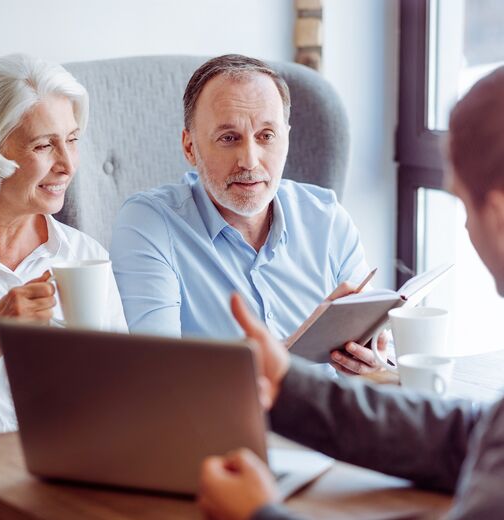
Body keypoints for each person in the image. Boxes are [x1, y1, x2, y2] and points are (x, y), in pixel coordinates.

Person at [197, 66, 504, 520]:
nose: (464, 226)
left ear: (498, 216)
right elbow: (470, 438)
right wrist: (287, 384)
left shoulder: (323, 213)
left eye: (461, 203)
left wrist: (258, 515)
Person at [110, 54, 387, 375]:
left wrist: (371, 361)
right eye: (229, 138)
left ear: (286, 139)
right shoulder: (149, 223)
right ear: (189, 148)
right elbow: (159, 375)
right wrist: (302, 345)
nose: (250, 161)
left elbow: (377, 358)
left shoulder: (326, 217)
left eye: (266, 136)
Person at [0, 54, 127, 434]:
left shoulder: (86, 257)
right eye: (44, 146)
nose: (68, 164)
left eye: (73, 140)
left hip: (69, 461)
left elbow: (124, 393)